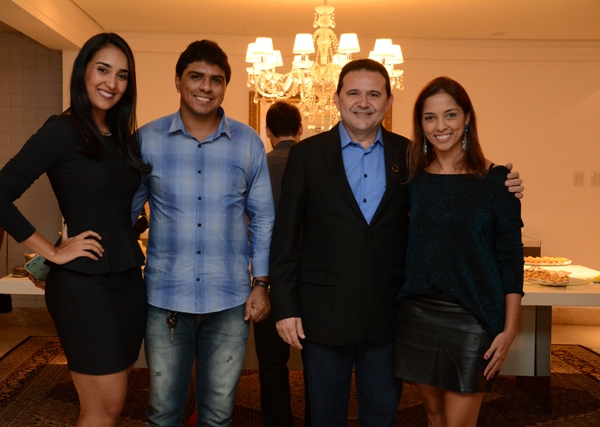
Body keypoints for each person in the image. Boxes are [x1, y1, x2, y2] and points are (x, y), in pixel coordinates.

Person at [269, 59, 524, 427]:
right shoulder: (306, 156)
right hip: (322, 315)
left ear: (389, 102)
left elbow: (465, 182)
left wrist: (507, 182)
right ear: (337, 99)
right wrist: (285, 306)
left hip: (390, 317)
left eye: (374, 94)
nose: (363, 102)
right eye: (353, 93)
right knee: (323, 416)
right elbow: (286, 235)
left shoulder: (410, 157)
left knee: (382, 417)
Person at [0, 33, 149, 427]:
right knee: (101, 409)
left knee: (114, 402)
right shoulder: (62, 129)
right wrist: (52, 252)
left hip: (125, 280)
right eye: (103, 70)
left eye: (122, 75)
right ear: (84, 71)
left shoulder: (120, 136)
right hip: (84, 286)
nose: (112, 82)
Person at [131, 40, 275, 427]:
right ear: (178, 80)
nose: (206, 87)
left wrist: (261, 283)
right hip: (166, 300)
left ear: (225, 86)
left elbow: (263, 219)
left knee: (218, 414)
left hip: (229, 302)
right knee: (162, 413)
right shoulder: (147, 140)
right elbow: (123, 213)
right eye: (196, 76)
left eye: (217, 79)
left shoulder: (247, 143)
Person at [394, 77, 523, 427]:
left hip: (474, 316)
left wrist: (509, 330)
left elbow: (511, 258)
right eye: (429, 118)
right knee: (434, 415)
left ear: (467, 117)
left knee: (459, 423)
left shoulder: (497, 182)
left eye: (450, 115)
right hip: (418, 312)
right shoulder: (413, 180)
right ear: (420, 124)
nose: (440, 126)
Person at [254, 101, 308, 427]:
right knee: (317, 364)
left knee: (272, 366)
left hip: (270, 276)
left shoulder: (259, 165)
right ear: (300, 130)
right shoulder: (316, 163)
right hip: (311, 279)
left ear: (268, 132)